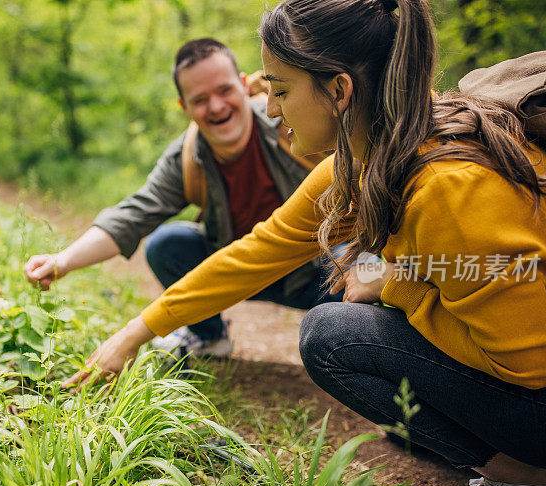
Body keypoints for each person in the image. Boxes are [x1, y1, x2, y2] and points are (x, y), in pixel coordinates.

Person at [62, 0, 546, 486]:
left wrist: (394, 286)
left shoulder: (449, 188)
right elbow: (255, 254)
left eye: (280, 90)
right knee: (353, 337)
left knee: (336, 337)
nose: (273, 110)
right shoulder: (368, 156)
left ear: (338, 90)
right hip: (544, 373)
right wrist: (135, 334)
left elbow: (531, 368)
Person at [25, 38, 342, 359]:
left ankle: (358, 347)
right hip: (238, 273)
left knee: (362, 262)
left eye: (224, 91)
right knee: (167, 243)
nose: (216, 106)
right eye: (200, 99)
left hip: (318, 271)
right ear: (184, 107)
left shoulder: (294, 123)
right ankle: (208, 337)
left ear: (244, 85)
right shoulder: (187, 157)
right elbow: (132, 215)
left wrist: (382, 270)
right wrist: (61, 261)